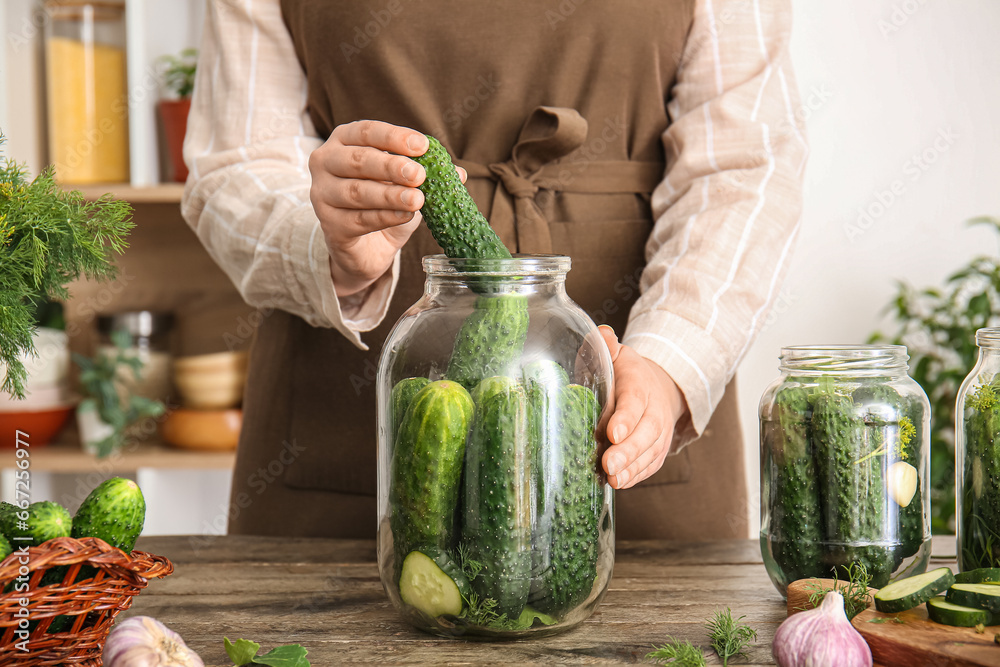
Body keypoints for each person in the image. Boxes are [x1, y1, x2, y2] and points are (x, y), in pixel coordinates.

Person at [182, 0, 806, 540]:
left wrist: (672, 362)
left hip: (638, 403)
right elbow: (235, 163)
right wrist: (324, 243)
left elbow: (743, 166)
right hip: (340, 416)